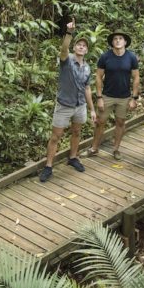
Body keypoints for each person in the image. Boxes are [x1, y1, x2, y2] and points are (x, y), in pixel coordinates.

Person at [39, 20, 95, 182]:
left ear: (86, 50)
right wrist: (69, 33)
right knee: (56, 136)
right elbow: (63, 50)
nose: (81, 47)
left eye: (84, 46)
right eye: (79, 45)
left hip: (80, 105)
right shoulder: (66, 60)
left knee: (77, 131)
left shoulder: (87, 67)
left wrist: (91, 109)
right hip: (64, 105)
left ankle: (73, 157)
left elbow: (87, 89)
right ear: (74, 47)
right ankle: (48, 166)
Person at [87, 31, 140, 160]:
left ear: (125, 42)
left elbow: (136, 77)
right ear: (112, 42)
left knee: (120, 122)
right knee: (100, 122)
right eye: (115, 39)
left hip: (124, 97)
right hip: (107, 96)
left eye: (120, 38)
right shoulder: (105, 57)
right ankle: (94, 148)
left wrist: (134, 98)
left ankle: (116, 149)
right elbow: (98, 77)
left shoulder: (131, 57)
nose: (117, 41)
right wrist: (99, 97)